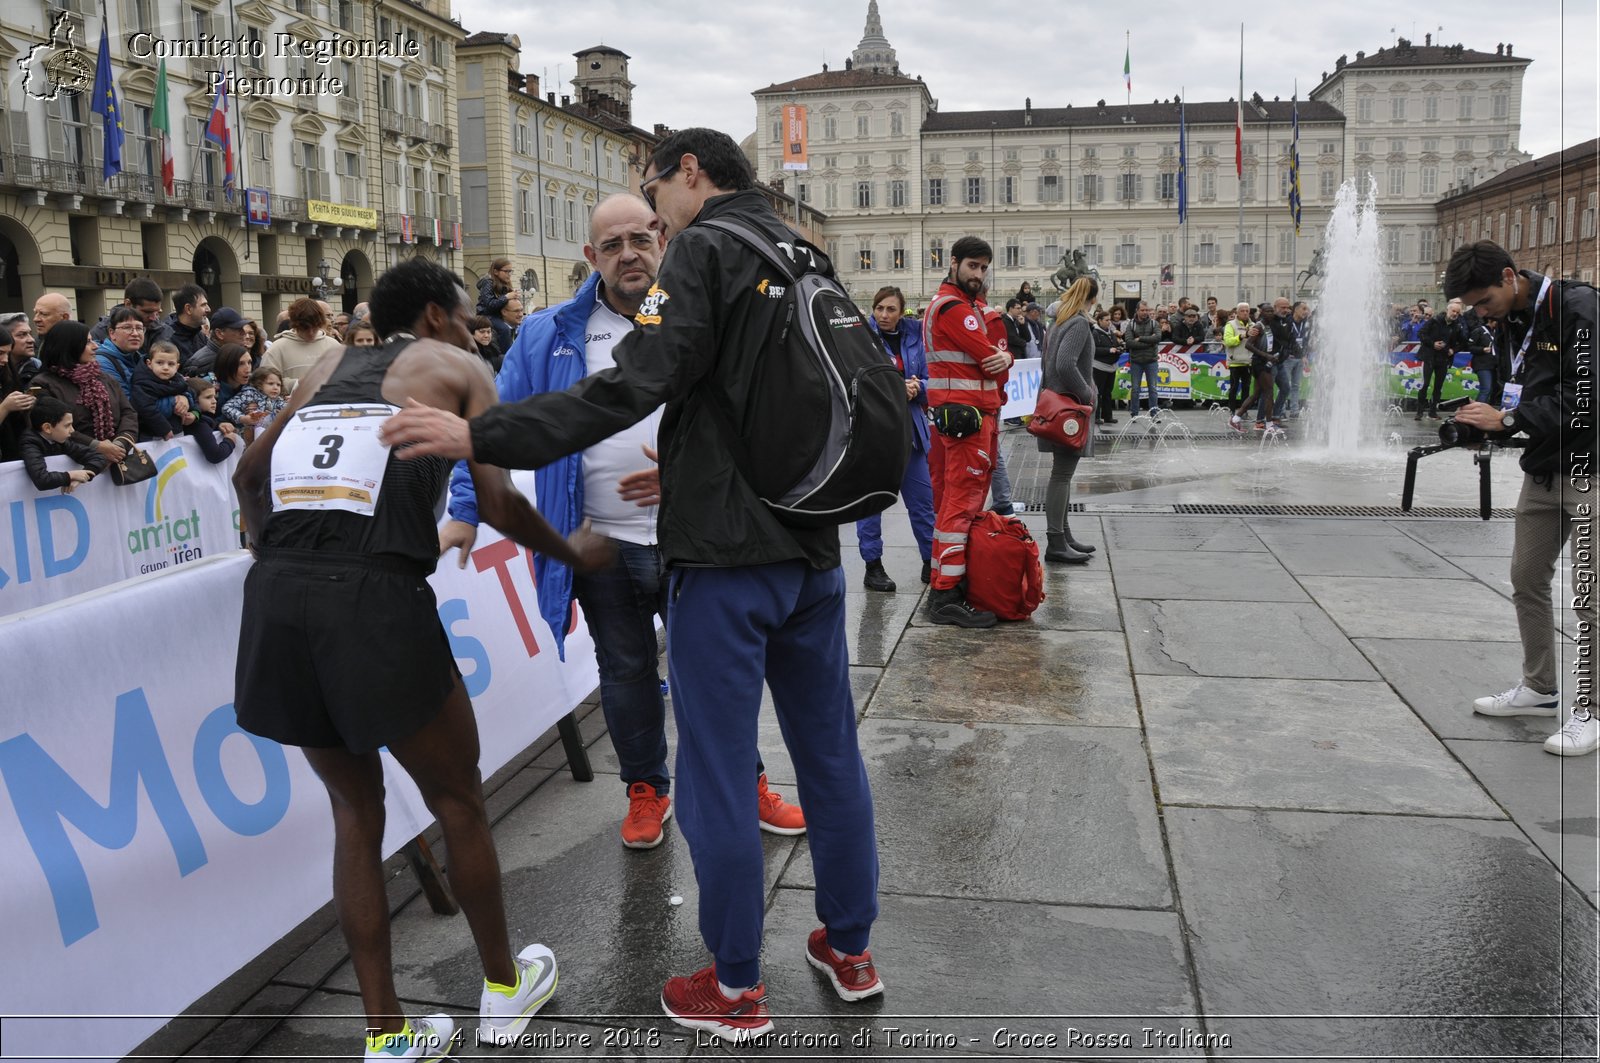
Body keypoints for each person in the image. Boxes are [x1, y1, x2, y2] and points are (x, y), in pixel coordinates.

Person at [380, 128, 883, 1041]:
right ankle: (849, 948)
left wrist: (479, 437)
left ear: (691, 174)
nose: (655, 215)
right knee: (832, 758)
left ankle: (735, 990)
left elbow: (628, 385)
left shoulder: (705, 248)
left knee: (719, 775)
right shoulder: (799, 247)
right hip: (811, 548)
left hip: (727, 564)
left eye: (656, 193)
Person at [232, 256, 610, 1059]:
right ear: (437, 315)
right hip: (372, 598)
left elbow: (247, 472)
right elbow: (502, 500)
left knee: (353, 813)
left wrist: (272, 549)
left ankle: (387, 1034)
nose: (479, 323)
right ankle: (505, 989)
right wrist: (572, 553)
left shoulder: (329, 361)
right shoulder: (459, 365)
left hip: (279, 596)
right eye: (471, 310)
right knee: (459, 800)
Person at [440, 193, 805, 850]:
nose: (629, 253)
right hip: (599, 540)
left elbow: (756, 416)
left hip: (694, 536)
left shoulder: (700, 315)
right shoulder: (551, 331)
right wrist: (464, 510)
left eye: (640, 238)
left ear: (662, 239)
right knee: (625, 669)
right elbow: (494, 423)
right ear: (591, 256)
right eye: (612, 245)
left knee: (717, 670)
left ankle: (743, 778)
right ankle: (646, 786)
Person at [1445, 241, 1597, 756]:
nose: (1481, 313)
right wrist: (1487, 423)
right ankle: (1539, 688)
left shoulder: (1579, 308)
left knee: (1591, 597)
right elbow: (1529, 394)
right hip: (1545, 470)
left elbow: (1587, 399)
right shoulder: (1511, 319)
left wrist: (1509, 419)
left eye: (1484, 301)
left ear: (1510, 278)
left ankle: (1592, 710)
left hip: (1591, 469)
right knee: (1526, 579)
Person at [916, 240, 1014, 627]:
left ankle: (945, 582)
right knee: (961, 504)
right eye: (973, 266)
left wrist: (1001, 357)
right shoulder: (955, 308)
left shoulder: (953, 305)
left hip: (962, 417)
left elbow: (995, 361)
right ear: (953, 263)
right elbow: (994, 365)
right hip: (967, 419)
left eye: (984, 268)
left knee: (953, 504)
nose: (978, 274)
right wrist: (1004, 357)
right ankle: (945, 595)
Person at [856, 285, 935, 591]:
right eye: (879, 308)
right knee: (870, 504)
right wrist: (894, 389)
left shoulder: (916, 336)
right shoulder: (860, 337)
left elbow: (933, 377)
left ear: (902, 312)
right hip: (874, 432)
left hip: (911, 431)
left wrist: (919, 388)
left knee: (923, 502)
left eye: (891, 309)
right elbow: (855, 380)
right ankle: (872, 566)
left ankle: (931, 563)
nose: (884, 315)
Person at [1039, 276, 1099, 565]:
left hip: (1056, 406)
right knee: (1062, 475)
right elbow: (1065, 363)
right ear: (1094, 300)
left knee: (1060, 473)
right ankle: (1056, 542)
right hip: (1069, 410)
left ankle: (1064, 534)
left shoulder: (1058, 321)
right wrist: (1086, 394)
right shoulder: (1076, 322)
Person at [28, 321, 137, 464]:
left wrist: (119, 444)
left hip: (115, 459)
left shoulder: (105, 378)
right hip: (71, 466)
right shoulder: (43, 384)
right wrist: (96, 446)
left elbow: (128, 413)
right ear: (69, 346)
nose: (95, 346)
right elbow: (52, 427)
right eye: (87, 342)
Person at [21, 396, 106, 492]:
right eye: (67, 425)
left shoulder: (60, 441)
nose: (72, 430)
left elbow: (99, 457)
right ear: (47, 428)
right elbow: (41, 479)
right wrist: (71, 475)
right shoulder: (30, 443)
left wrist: (83, 475)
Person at [263, 298, 344, 393]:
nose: (310, 333)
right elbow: (264, 381)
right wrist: (296, 383)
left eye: (315, 328)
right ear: (295, 325)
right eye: (305, 328)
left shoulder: (334, 345)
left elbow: (346, 376)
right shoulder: (277, 348)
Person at [88, 278, 172, 355]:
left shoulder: (163, 331)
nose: (153, 318)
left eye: (157, 312)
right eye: (147, 312)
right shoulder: (100, 333)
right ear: (128, 304)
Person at [1415, 299, 1467, 419]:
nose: (1455, 314)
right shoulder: (1434, 321)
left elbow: (1463, 342)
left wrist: (1453, 350)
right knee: (1426, 384)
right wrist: (1433, 344)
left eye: (1457, 313)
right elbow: (1421, 334)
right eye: (1453, 311)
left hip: (1443, 359)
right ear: (1447, 310)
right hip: (1429, 357)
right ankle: (1420, 411)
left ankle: (1432, 411)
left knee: (1438, 386)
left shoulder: (1457, 326)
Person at [130, 341, 193, 440]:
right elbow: (145, 408)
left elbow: (190, 393)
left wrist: (193, 412)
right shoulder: (143, 383)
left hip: (177, 430)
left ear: (177, 367)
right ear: (149, 364)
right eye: (160, 363)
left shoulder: (178, 380)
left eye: (171, 364)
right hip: (152, 435)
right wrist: (164, 429)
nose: (165, 368)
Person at [94, 305, 148, 399]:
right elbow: (126, 402)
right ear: (112, 333)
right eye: (127, 328)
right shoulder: (102, 362)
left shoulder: (141, 359)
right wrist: (172, 402)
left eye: (139, 328)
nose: (135, 333)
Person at [1122, 301, 1161, 420]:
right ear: (1137, 311)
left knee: (1153, 389)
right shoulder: (1131, 324)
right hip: (1136, 361)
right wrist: (1149, 343)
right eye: (1142, 310)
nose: (1145, 312)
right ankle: (1134, 414)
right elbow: (1129, 342)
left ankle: (1154, 414)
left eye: (1147, 310)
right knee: (1135, 389)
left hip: (1151, 361)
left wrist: (1140, 339)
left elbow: (1158, 338)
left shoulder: (1154, 323)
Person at [1267, 298, 1304, 420]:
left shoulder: (1286, 321)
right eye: (1283, 308)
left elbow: (1291, 339)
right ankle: (1264, 419)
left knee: (1288, 387)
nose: (1286, 310)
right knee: (1267, 391)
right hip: (1272, 360)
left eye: (1287, 308)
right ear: (1275, 307)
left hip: (1282, 360)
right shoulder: (1271, 321)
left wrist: (1301, 354)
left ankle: (1277, 415)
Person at [185, 306, 249, 376]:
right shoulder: (199, 364)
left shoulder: (239, 355)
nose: (244, 332)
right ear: (219, 333)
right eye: (238, 329)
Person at [476, 257, 516, 355]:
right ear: (496, 271)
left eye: (510, 271)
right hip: (486, 315)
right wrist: (506, 297)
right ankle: (506, 357)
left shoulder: (504, 283)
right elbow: (489, 304)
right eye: (506, 271)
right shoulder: (488, 283)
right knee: (504, 329)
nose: (509, 274)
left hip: (499, 315)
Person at [1224, 303, 1255, 426]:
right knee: (1234, 387)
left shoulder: (1253, 325)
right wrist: (1242, 336)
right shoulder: (1230, 325)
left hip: (1248, 361)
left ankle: (1244, 412)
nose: (1245, 313)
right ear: (1237, 312)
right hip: (1235, 362)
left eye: (1247, 311)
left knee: (1246, 389)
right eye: (1242, 311)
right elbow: (1227, 341)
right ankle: (1232, 412)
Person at [165, 285, 211, 364]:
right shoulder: (166, 338)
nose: (208, 309)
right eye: (203, 305)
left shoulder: (201, 337)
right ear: (188, 309)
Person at [1090, 308, 1120, 425]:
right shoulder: (1095, 333)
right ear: (1099, 321)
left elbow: (1115, 345)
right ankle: (1096, 416)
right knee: (1098, 392)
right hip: (1099, 367)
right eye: (1106, 320)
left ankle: (1108, 416)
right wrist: (1108, 350)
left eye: (1109, 320)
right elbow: (1094, 350)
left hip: (1111, 367)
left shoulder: (1110, 332)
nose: (1109, 322)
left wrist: (1118, 348)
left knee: (1108, 392)